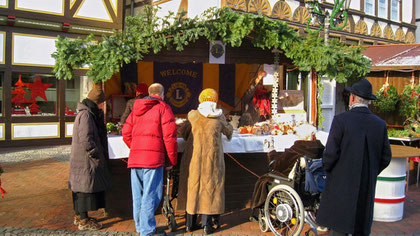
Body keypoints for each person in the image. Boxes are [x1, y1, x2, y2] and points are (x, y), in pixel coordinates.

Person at [316, 78, 392, 236]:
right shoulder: (380, 124)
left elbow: (330, 155)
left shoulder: (341, 121)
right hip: (366, 186)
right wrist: (370, 171)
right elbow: (386, 157)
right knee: (361, 226)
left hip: (340, 185)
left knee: (339, 228)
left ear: (352, 98)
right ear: (368, 101)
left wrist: (328, 170)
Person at [122, 83, 177, 236]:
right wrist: (170, 161)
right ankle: (147, 231)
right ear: (162, 94)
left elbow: (126, 133)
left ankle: (141, 227)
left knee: (138, 194)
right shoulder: (163, 108)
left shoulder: (136, 109)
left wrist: (137, 147)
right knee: (151, 194)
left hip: (136, 158)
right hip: (153, 159)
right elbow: (170, 138)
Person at [184, 88, 233, 234]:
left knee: (194, 188)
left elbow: (184, 132)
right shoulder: (219, 116)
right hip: (213, 160)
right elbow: (229, 133)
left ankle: (189, 224)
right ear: (215, 101)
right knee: (210, 189)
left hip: (195, 159)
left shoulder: (193, 115)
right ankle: (206, 225)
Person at [69, 88, 112, 231]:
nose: (102, 106)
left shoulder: (86, 113)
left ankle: (80, 216)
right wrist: (95, 153)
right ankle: (84, 220)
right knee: (84, 188)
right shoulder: (86, 115)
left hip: (82, 158)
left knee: (81, 187)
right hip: (85, 159)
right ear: (98, 102)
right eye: (102, 103)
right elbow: (86, 139)